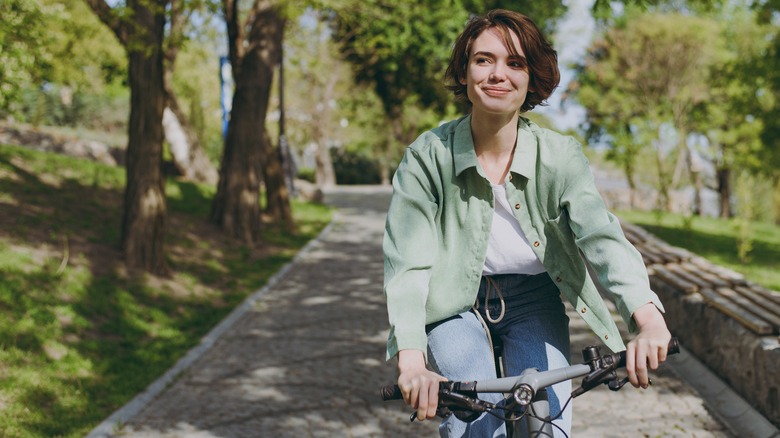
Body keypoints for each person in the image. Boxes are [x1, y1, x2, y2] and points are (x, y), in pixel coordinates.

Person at [382, 8, 672, 438]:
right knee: (480, 421)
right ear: (464, 72)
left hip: (534, 299)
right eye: (484, 60)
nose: (498, 74)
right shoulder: (428, 157)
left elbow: (602, 238)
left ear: (530, 78)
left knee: (547, 424)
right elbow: (407, 264)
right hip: (452, 306)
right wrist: (411, 360)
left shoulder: (560, 157)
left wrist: (647, 320)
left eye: (515, 63)